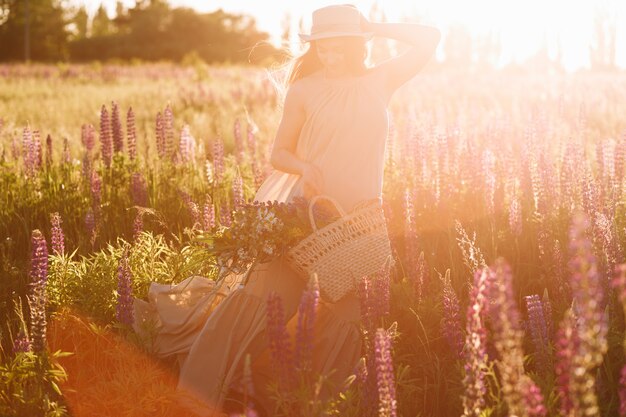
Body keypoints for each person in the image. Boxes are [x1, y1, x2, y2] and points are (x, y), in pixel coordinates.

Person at [134, 4, 440, 417]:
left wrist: (372, 25)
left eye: (338, 47)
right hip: (301, 218)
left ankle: (310, 406)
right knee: (264, 304)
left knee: (345, 319)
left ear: (355, 46)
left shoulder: (380, 80)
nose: (330, 56)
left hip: (359, 222)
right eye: (322, 48)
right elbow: (280, 151)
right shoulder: (305, 89)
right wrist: (303, 167)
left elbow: (430, 38)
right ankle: (195, 395)